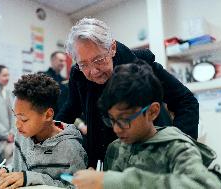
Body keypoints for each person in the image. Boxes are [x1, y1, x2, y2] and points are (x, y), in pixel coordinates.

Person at [56, 18, 199, 167]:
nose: (93, 71)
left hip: (147, 156)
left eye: (99, 60)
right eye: (83, 64)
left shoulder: (142, 66)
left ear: (112, 48)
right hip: (102, 157)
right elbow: (71, 108)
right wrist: (50, 129)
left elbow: (186, 101)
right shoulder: (78, 75)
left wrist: (177, 147)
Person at [72, 62, 221, 189]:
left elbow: (207, 185)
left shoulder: (176, 149)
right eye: (111, 119)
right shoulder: (116, 148)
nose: (117, 129)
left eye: (124, 120)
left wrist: (113, 181)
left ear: (152, 112)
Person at [0, 73, 87, 189]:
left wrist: (31, 178)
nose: (17, 125)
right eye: (15, 116)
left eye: (23, 119)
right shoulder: (23, 134)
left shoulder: (70, 148)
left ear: (47, 115)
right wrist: (4, 170)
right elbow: (22, 169)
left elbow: (76, 187)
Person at [42, 51, 68, 116]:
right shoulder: (42, 77)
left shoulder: (65, 81)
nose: (63, 63)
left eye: (64, 61)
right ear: (53, 61)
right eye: (61, 61)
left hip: (62, 117)